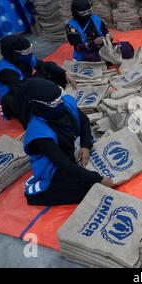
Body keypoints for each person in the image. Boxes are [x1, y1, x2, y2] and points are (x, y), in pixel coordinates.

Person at [23, 78, 113, 206]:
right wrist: (98, 179)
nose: (60, 102)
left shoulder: (66, 103)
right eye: (54, 102)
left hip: (70, 152)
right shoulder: (39, 133)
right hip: (55, 169)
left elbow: (84, 120)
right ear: (41, 105)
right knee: (92, 190)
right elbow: (63, 165)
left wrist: (86, 145)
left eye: (60, 96)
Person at [0, 35, 77, 128]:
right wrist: (46, 92)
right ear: (13, 54)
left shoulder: (26, 57)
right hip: (13, 98)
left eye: (30, 48)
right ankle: (34, 121)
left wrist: (64, 72)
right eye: (26, 51)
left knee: (48, 70)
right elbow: (21, 90)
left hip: (26, 84)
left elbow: (43, 66)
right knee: (27, 99)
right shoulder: (5, 70)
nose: (29, 53)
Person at [66, 0, 134, 62]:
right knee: (93, 58)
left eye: (89, 11)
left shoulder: (96, 19)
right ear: (75, 13)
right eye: (84, 13)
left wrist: (109, 36)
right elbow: (78, 47)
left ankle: (109, 59)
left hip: (102, 48)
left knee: (126, 47)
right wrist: (94, 43)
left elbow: (105, 34)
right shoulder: (71, 26)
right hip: (86, 53)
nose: (87, 14)